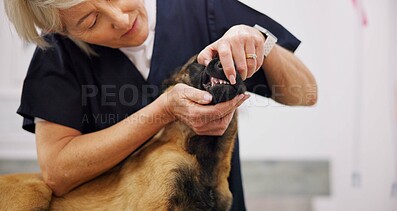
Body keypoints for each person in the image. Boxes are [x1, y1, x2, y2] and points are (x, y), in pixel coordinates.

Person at [4, 0, 317, 210]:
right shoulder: (58, 56)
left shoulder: (200, 9)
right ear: (61, 30)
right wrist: (163, 110)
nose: (121, 18)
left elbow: (305, 93)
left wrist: (260, 42)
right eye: (90, 21)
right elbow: (58, 172)